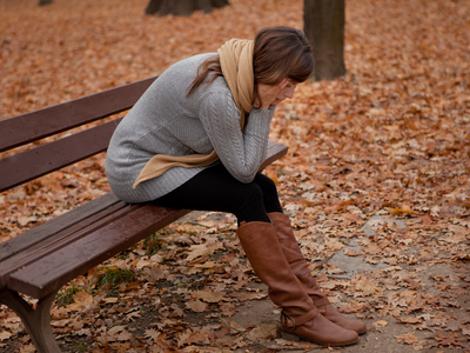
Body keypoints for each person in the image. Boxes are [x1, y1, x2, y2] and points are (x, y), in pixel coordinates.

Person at [105, 26, 366, 346]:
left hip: (178, 158)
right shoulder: (219, 96)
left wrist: (263, 99)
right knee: (246, 195)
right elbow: (243, 170)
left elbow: (246, 164)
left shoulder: (238, 70)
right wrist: (263, 106)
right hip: (139, 171)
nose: (289, 95)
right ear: (271, 72)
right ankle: (299, 315)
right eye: (287, 85)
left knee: (264, 188)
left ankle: (315, 305)